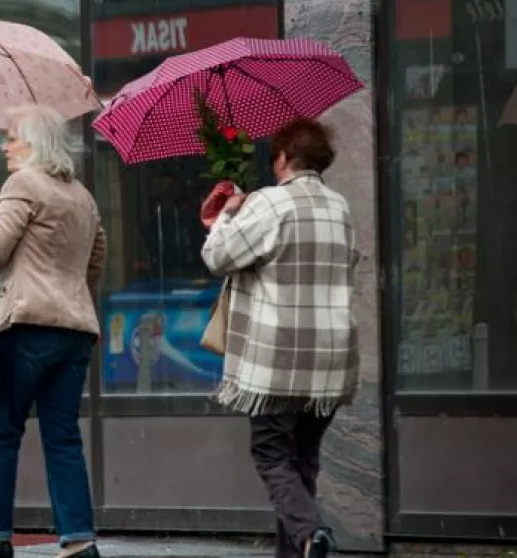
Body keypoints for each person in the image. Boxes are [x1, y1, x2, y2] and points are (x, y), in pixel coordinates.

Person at [0, 104, 106, 558]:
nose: (4, 145)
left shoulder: (22, 183)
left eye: (11, 136)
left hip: (27, 328)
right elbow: (95, 263)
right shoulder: (83, 196)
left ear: (34, 143)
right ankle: (78, 540)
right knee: (63, 437)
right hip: (75, 331)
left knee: (2, 431)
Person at [200, 118, 359, 558]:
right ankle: (301, 549)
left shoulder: (271, 203)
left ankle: (311, 533)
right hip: (330, 361)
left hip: (278, 360)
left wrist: (226, 216)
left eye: (274, 156)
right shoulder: (339, 207)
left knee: (271, 454)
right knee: (302, 461)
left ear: (285, 157)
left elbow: (218, 256)